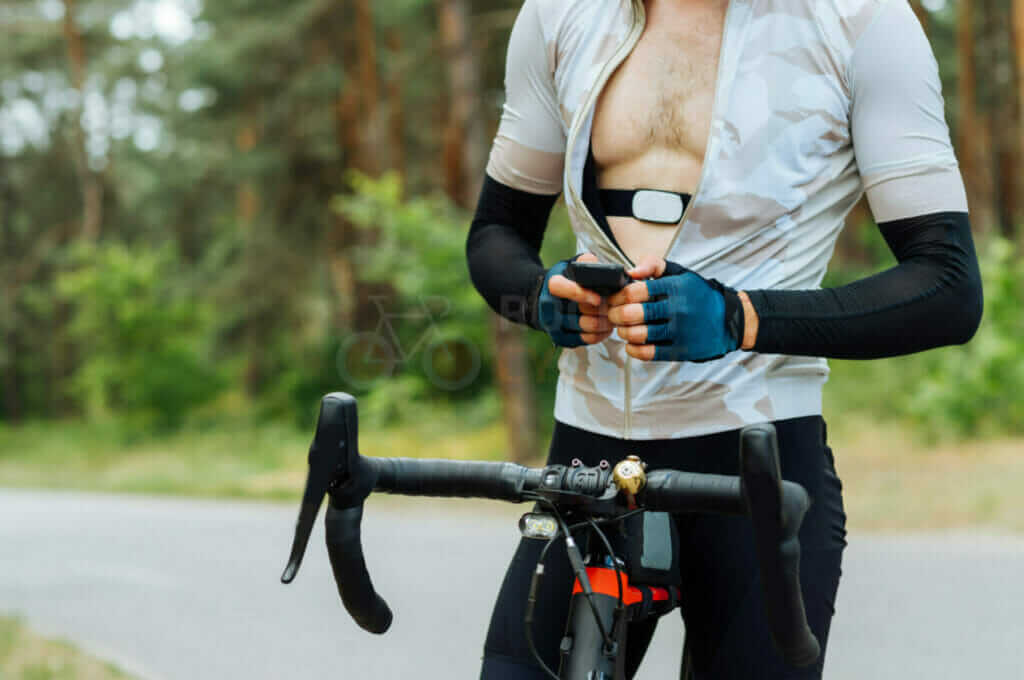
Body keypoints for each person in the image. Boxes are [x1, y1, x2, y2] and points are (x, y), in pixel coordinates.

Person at [465, 0, 983, 678]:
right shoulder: (562, 13)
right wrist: (540, 297)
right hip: (588, 458)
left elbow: (947, 286)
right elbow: (496, 233)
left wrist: (740, 317)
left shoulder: (862, 20)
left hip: (757, 455)